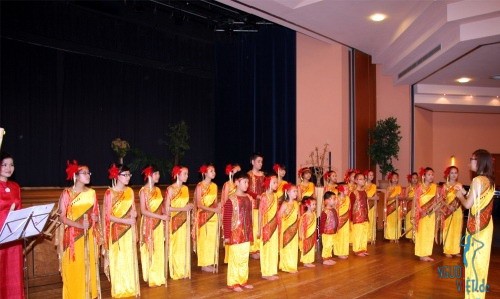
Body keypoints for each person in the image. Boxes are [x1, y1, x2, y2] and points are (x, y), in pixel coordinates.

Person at [56, 160, 101, 299]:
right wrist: (80, 225)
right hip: (73, 238)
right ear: (76, 175)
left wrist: (95, 218)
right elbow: (61, 217)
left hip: (89, 236)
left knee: (89, 265)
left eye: (89, 173)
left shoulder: (92, 193)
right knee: (75, 267)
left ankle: (90, 294)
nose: (88, 175)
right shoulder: (67, 194)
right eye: (84, 173)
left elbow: (97, 216)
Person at [455, 149, 495, 299]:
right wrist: (465, 191)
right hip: (486, 226)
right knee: (480, 262)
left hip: (476, 227)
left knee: (473, 262)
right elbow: (476, 199)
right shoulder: (489, 181)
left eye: (471, 159)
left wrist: (460, 196)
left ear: (478, 161)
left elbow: (467, 205)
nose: (468, 162)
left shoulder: (477, 180)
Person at [103, 164, 140, 297]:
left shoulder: (130, 191)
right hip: (117, 231)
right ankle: (119, 290)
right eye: (125, 175)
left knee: (129, 258)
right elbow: (108, 216)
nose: (128, 177)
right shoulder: (109, 193)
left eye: (129, 175)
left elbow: (133, 209)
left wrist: (134, 214)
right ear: (116, 176)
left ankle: (130, 287)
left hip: (129, 230)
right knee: (118, 259)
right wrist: (126, 221)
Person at [222, 171, 254, 292]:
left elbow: (249, 217)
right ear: (236, 182)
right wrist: (226, 235)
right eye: (244, 182)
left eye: (248, 182)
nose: (247, 185)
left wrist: (250, 231)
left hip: (245, 234)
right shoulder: (231, 199)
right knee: (235, 258)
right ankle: (233, 282)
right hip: (235, 234)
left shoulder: (247, 198)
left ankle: (242, 280)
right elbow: (227, 218)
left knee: (244, 258)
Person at [139, 165, 168, 287]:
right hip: (148, 223)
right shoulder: (143, 191)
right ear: (149, 175)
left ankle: (159, 276)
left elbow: (161, 207)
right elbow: (143, 211)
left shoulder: (158, 190)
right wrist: (161, 217)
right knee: (150, 249)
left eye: (158, 174)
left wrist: (164, 216)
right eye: (156, 174)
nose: (158, 176)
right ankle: (151, 276)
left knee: (159, 249)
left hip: (159, 223)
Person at [0, 152, 24, 299]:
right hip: (0, 236)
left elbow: (20, 211)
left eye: (11, 164)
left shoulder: (15, 186)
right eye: (4, 164)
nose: (9, 168)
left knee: (13, 275)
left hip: (13, 238)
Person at [165, 166, 194, 280]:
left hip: (185, 221)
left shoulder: (186, 189)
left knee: (184, 245)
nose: (187, 176)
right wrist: (183, 208)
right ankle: (177, 271)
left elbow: (186, 205)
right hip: (175, 221)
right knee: (176, 245)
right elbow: (168, 208)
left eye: (187, 174)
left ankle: (184, 270)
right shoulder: (170, 189)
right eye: (185, 174)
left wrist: (189, 207)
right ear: (177, 174)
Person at [194, 164, 220, 273]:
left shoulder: (214, 186)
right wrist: (213, 210)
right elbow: (199, 204)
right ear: (204, 173)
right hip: (203, 216)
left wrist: (218, 206)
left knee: (211, 240)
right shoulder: (200, 186)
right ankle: (204, 264)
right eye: (211, 171)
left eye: (214, 171)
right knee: (204, 240)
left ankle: (210, 261)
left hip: (213, 217)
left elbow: (215, 202)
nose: (213, 172)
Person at [414, 167, 439, 262]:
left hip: (431, 213)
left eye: (432, 174)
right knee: (422, 233)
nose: (431, 176)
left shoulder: (434, 187)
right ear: (424, 176)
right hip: (422, 214)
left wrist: (435, 207)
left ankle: (427, 253)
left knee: (429, 232)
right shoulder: (420, 187)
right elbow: (416, 201)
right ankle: (421, 254)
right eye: (429, 174)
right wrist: (421, 211)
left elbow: (436, 199)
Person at [258, 175, 279, 280]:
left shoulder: (275, 196)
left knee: (274, 248)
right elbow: (260, 214)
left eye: (277, 182)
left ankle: (272, 270)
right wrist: (258, 229)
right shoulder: (263, 196)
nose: (277, 184)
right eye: (274, 182)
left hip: (274, 226)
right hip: (266, 226)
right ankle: (266, 272)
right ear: (268, 183)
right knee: (266, 248)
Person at [439, 166, 462, 258]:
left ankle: (456, 250)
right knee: (448, 229)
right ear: (448, 174)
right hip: (447, 210)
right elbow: (441, 199)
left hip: (458, 210)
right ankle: (447, 249)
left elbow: (461, 198)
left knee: (457, 230)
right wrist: (448, 206)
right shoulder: (445, 186)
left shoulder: (459, 185)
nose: (454, 175)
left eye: (455, 173)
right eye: (452, 173)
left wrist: (456, 206)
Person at [277, 183, 299, 273]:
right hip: (286, 229)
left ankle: (292, 265)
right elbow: (279, 215)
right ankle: (287, 266)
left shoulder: (296, 203)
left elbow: (298, 216)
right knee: (287, 247)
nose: (296, 193)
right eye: (294, 191)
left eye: (296, 191)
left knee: (293, 247)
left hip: (294, 229)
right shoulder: (285, 204)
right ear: (288, 192)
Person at [221, 163, 241, 264]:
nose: (238, 172)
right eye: (237, 171)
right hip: (230, 212)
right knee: (230, 233)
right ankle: (229, 258)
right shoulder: (227, 184)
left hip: (238, 213)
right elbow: (225, 201)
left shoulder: (239, 185)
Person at [247, 153, 264, 259]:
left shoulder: (263, 175)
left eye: (261, 162)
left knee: (260, 225)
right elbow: (247, 189)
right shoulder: (249, 175)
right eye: (258, 161)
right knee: (253, 226)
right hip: (252, 203)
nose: (260, 164)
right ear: (252, 162)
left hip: (261, 203)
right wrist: (256, 196)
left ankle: (259, 247)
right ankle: (253, 249)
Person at [350, 173, 369, 256]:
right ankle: (357, 250)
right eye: (360, 179)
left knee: (364, 232)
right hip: (357, 216)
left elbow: (366, 203)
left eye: (364, 179)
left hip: (365, 215)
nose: (363, 181)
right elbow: (350, 206)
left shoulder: (364, 192)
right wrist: (351, 218)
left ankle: (363, 248)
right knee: (358, 233)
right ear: (356, 181)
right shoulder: (353, 193)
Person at [319, 191, 338, 265]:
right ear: (327, 201)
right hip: (326, 232)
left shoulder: (333, 210)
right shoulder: (325, 212)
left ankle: (329, 257)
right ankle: (325, 258)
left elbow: (336, 220)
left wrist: (336, 228)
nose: (335, 200)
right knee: (326, 245)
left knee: (330, 245)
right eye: (333, 199)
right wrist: (321, 232)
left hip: (332, 232)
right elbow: (322, 223)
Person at [333, 184, 350, 259]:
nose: (348, 190)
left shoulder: (348, 198)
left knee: (345, 235)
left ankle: (344, 251)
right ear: (341, 190)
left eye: (348, 188)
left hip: (346, 219)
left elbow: (349, 208)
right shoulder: (336, 199)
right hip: (338, 219)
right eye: (346, 188)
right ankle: (339, 252)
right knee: (339, 236)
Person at [299, 196, 317, 267]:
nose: (314, 206)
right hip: (306, 236)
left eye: (315, 204)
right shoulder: (305, 216)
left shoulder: (314, 214)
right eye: (313, 204)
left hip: (312, 234)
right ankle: (306, 261)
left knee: (311, 248)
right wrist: (302, 236)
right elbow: (301, 227)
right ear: (307, 205)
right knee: (306, 248)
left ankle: (309, 260)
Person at [384, 172, 402, 242]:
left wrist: (399, 198)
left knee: (397, 221)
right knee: (390, 222)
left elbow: (401, 197)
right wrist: (394, 197)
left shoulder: (399, 187)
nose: (395, 179)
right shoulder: (389, 188)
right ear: (391, 179)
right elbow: (387, 198)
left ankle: (396, 236)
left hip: (398, 207)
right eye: (393, 178)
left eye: (396, 178)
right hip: (390, 207)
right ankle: (390, 237)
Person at [403, 172, 418, 240]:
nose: (414, 179)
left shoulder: (419, 187)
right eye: (413, 178)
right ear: (411, 179)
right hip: (410, 206)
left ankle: (416, 235)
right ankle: (409, 236)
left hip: (417, 206)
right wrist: (412, 198)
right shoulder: (408, 188)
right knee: (410, 220)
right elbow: (405, 198)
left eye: (416, 178)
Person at [364, 170, 378, 244]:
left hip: (372, 206)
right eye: (370, 175)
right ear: (366, 176)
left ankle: (372, 237)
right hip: (365, 205)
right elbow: (363, 196)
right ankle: (365, 238)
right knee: (366, 221)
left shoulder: (374, 186)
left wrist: (376, 198)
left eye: (372, 175)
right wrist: (372, 198)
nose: (371, 176)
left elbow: (375, 196)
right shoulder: (363, 185)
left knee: (372, 220)